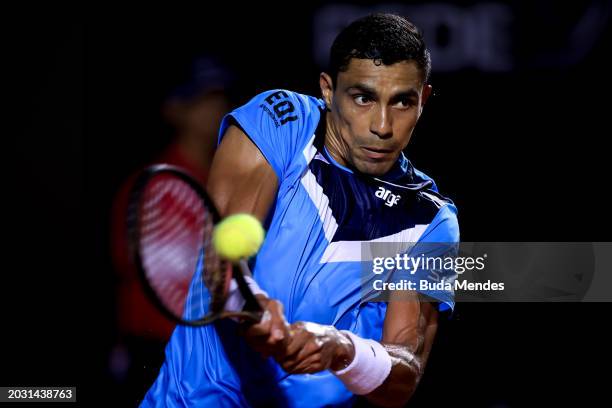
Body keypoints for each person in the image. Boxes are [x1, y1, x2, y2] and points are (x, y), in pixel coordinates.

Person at [142, 13, 459, 407]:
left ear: (424, 99)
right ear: (328, 90)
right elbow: (220, 264)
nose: (382, 125)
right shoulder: (281, 120)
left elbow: (403, 377)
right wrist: (252, 305)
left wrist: (342, 348)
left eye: (402, 102)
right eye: (363, 97)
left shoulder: (431, 220)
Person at [109, 56, 233, 402]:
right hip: (153, 351)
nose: (215, 109)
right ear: (174, 110)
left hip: (211, 353)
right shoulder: (150, 186)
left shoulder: (234, 182)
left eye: (219, 98)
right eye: (202, 100)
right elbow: (131, 266)